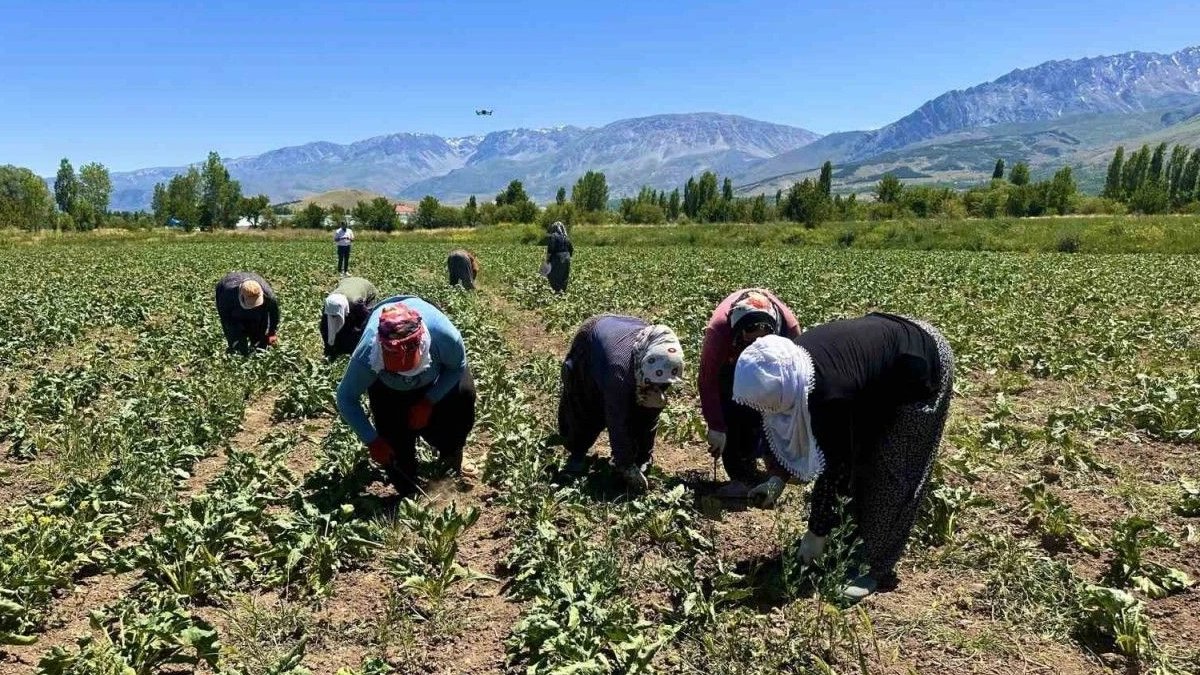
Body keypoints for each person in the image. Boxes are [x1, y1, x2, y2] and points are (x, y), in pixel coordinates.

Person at [732, 313, 954, 602]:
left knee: (892, 473)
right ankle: (845, 540)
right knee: (861, 457)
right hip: (880, 364)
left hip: (922, 362)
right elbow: (786, 423)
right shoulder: (790, 366)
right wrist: (778, 476)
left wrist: (816, 532)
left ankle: (872, 567)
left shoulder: (828, 392)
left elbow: (835, 467)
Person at [335, 296, 476, 497]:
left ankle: (450, 456)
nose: (399, 366)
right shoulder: (368, 354)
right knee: (397, 460)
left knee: (462, 397)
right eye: (392, 361)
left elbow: (456, 368)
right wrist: (373, 441)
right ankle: (410, 488)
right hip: (388, 390)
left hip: (435, 380)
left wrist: (429, 401)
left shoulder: (444, 336)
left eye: (406, 362)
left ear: (420, 346)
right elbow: (346, 398)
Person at [558, 314, 684, 493]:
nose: (659, 388)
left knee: (645, 403)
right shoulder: (619, 371)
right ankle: (576, 454)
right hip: (593, 339)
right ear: (642, 367)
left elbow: (649, 415)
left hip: (625, 332)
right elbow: (617, 419)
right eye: (653, 384)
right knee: (586, 405)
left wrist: (643, 458)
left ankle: (637, 457)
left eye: (662, 385)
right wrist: (625, 465)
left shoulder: (661, 365)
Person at [699, 289, 803, 497]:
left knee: (774, 405)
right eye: (750, 340)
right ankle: (740, 475)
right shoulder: (719, 332)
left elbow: (799, 378)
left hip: (775, 363)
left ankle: (774, 464)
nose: (755, 347)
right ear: (738, 333)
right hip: (731, 365)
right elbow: (707, 380)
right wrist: (716, 426)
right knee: (733, 408)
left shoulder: (789, 331)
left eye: (762, 340)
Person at [214, 271, 280, 355]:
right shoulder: (227, 294)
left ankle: (257, 351)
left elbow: (274, 313)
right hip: (233, 308)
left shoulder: (268, 294)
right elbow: (225, 318)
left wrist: (272, 332)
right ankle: (238, 353)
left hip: (258, 312)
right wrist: (235, 336)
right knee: (237, 344)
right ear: (241, 296)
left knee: (260, 338)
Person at [320, 276, 378, 359]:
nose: (333, 317)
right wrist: (328, 346)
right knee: (338, 324)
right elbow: (324, 326)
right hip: (347, 282)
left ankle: (355, 350)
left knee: (361, 326)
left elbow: (368, 320)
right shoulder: (329, 302)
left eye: (336, 314)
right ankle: (337, 348)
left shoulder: (356, 303)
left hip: (368, 289)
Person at [544, 221, 573, 294]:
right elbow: (571, 248)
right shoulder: (566, 237)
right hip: (567, 257)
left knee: (553, 274)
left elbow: (551, 248)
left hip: (558, 257)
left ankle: (557, 290)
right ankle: (562, 290)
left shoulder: (553, 236)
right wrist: (568, 257)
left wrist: (547, 258)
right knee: (564, 275)